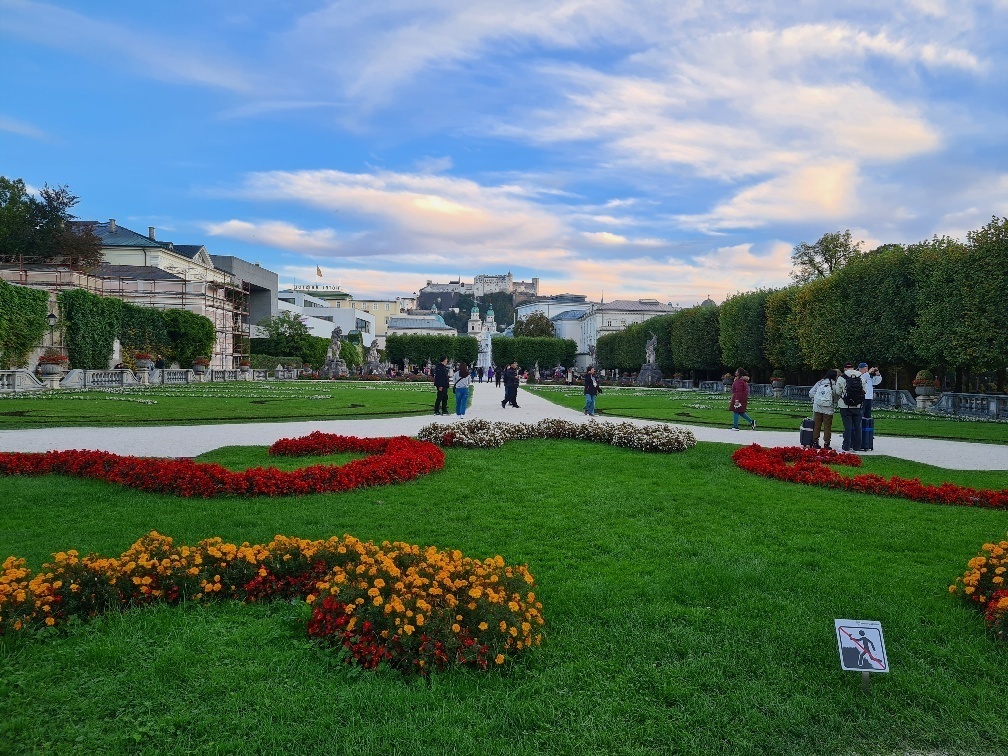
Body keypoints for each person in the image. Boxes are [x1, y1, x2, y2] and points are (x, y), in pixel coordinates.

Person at [836, 362, 865, 452]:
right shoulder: (861, 377)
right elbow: (864, 390)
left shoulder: (842, 378)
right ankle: (857, 447)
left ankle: (846, 447)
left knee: (847, 427)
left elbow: (838, 391)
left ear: (844, 369)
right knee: (858, 427)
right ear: (854, 368)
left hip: (845, 405)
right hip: (858, 405)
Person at [808, 369, 839, 449]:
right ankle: (826, 443)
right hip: (828, 408)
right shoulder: (834, 385)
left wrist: (815, 400)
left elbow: (811, 393)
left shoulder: (819, 383)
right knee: (827, 427)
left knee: (816, 426)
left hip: (817, 407)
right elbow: (836, 398)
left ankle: (815, 442)